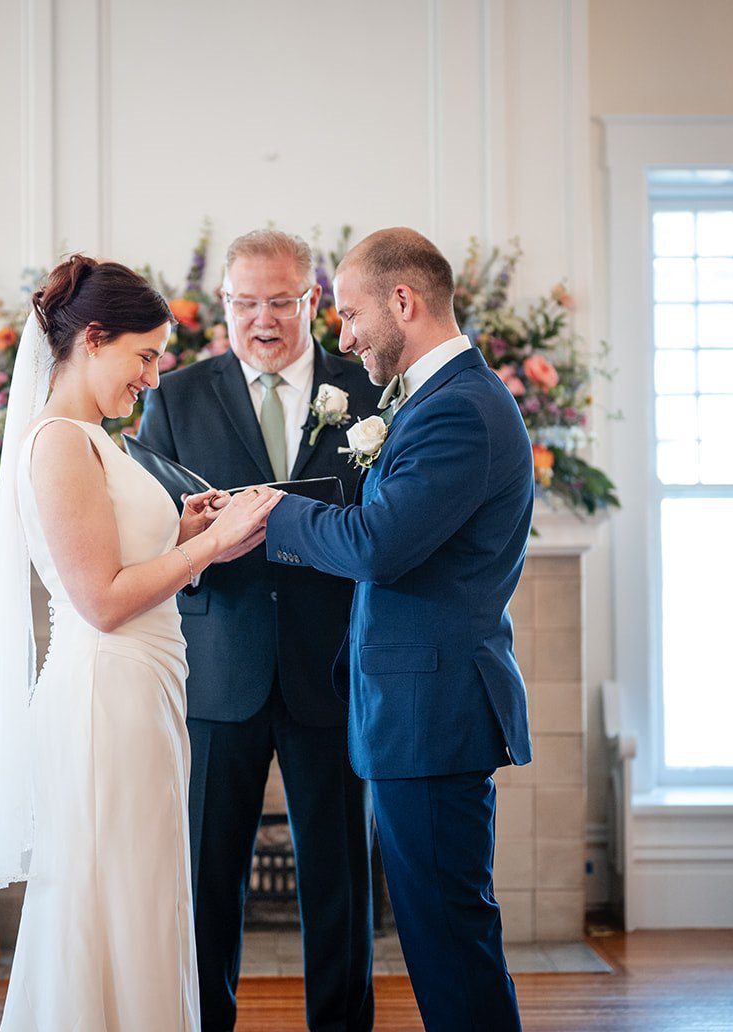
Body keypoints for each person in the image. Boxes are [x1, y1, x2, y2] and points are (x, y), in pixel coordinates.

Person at [0, 256, 279, 1029]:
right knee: (111, 894)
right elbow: (99, 600)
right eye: (143, 355)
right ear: (94, 338)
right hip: (105, 695)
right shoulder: (61, 442)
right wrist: (210, 545)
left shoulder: (101, 440)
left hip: (145, 689)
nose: (151, 377)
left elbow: (124, 558)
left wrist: (185, 529)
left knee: (143, 888)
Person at [262, 227, 532, 1031]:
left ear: (403, 302)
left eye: (349, 316)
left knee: (450, 941)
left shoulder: (460, 412)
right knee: (439, 936)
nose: (342, 338)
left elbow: (378, 545)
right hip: (417, 712)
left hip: (434, 713)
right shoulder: (435, 402)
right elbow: (391, 528)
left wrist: (272, 509)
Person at [138, 229, 379, 1032]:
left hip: (334, 663)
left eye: (281, 301)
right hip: (219, 665)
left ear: (313, 300)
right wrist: (201, 539)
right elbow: (152, 542)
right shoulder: (176, 398)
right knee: (207, 878)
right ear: (223, 306)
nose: (263, 320)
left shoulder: (371, 390)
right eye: (246, 303)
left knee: (341, 875)